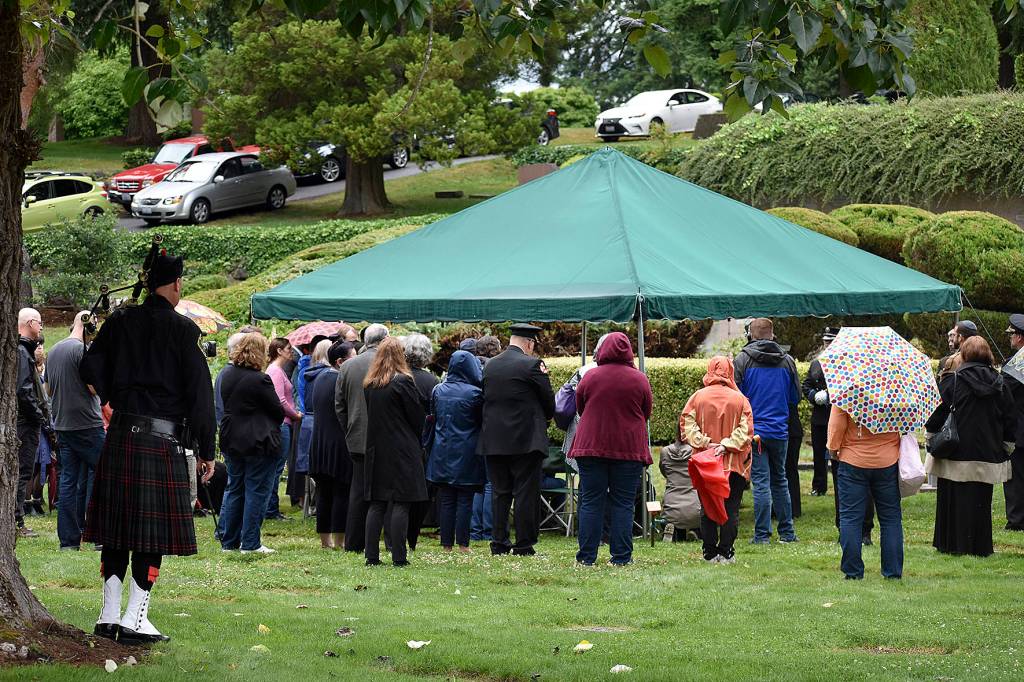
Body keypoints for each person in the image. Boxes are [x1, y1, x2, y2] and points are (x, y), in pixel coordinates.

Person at [80, 252, 215, 645]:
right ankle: (134, 620)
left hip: (121, 434)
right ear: (175, 284)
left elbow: (89, 368)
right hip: (161, 440)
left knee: (117, 530)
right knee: (150, 535)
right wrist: (206, 450)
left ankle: (108, 616)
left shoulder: (121, 321)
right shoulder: (183, 330)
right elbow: (200, 395)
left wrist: (113, 392)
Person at [925, 337, 1016, 557]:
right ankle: (980, 546)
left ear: (964, 355)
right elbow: (1010, 418)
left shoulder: (952, 381)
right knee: (980, 503)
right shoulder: (1000, 383)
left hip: (953, 450)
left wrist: (930, 436)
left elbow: (936, 413)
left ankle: (949, 543)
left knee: (950, 500)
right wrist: (1007, 444)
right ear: (988, 355)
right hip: (987, 452)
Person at [568, 332, 652, 566]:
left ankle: (586, 557)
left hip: (591, 446)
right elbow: (646, 412)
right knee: (623, 502)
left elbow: (581, 408)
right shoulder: (639, 379)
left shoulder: (590, 376)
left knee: (591, 501)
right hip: (628, 448)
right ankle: (621, 557)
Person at [479, 324, 555, 556]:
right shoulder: (533, 364)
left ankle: (499, 542)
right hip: (526, 440)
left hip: (494, 439)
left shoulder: (490, 365)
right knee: (525, 491)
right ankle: (523, 543)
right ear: (530, 343)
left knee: (500, 492)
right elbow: (548, 401)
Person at [680, 356, 753, 564]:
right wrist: (726, 445)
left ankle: (709, 552)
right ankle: (726, 551)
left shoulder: (697, 397)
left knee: (708, 508)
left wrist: (706, 443)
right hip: (734, 465)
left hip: (705, 463)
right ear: (730, 371)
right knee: (731, 508)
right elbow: (746, 430)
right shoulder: (740, 399)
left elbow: (686, 426)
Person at [733, 318, 800, 544]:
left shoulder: (742, 360)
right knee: (780, 480)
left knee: (761, 483)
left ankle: (762, 535)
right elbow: (795, 398)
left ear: (751, 335)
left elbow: (736, 399)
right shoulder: (788, 362)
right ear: (772, 335)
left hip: (755, 432)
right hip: (780, 430)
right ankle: (787, 533)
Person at [362, 337, 428, 566]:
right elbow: (417, 417)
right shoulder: (402, 382)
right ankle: (399, 557)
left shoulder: (370, 384)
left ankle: (371, 556)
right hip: (402, 448)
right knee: (402, 502)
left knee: (377, 502)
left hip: (377, 448)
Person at [218, 333, 284, 554]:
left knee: (235, 488)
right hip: (257, 440)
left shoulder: (227, 374)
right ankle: (251, 543)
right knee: (256, 491)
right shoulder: (260, 379)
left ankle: (229, 542)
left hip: (232, 438)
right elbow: (277, 409)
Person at [46, 311, 105, 550]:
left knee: (68, 481)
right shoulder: (82, 351)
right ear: (89, 326)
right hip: (87, 423)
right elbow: (93, 388)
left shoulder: (53, 351)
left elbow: (48, 390)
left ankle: (69, 541)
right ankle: (99, 535)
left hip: (63, 424)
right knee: (103, 474)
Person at [826, 404, 903, 580]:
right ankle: (893, 572)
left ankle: (852, 572)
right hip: (887, 459)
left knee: (851, 517)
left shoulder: (848, 388)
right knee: (891, 518)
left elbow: (836, 424)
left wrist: (833, 449)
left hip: (853, 459)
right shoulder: (895, 390)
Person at [335, 323, 389, 552]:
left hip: (356, 436)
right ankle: (387, 541)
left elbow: (339, 405)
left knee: (358, 491)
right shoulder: (390, 364)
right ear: (385, 339)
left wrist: (349, 427)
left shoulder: (348, 366)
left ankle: (355, 541)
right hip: (386, 438)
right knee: (385, 492)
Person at [426, 350, 487, 552]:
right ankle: (463, 544)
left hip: (442, 448)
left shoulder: (438, 390)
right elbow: (481, 422)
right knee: (465, 499)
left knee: (446, 499)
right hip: (467, 450)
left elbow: (432, 418)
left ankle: (446, 544)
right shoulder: (476, 394)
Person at [309, 341, 356, 549]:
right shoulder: (340, 380)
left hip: (319, 443)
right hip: (338, 444)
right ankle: (340, 541)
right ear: (340, 361)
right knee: (341, 493)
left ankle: (325, 541)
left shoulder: (319, 377)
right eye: (353, 356)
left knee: (324, 493)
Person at [400, 333, 438, 551]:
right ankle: (411, 536)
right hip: (423, 442)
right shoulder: (431, 381)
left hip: (399, 439)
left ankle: (397, 534)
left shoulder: (397, 377)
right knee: (422, 492)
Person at [16, 308, 51, 539]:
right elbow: (24, 390)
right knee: (22, 471)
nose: (41, 327)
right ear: (30, 323)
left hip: (27, 421)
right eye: (39, 323)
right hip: (25, 422)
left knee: (24, 471)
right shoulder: (21, 351)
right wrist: (39, 416)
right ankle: (17, 521)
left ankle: (16, 519)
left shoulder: (23, 350)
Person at [470, 336, 503, 541]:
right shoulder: (497, 369)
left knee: (477, 484)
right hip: (491, 431)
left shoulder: (470, 368)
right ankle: (489, 530)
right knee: (492, 483)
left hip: (471, 432)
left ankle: (474, 530)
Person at [265, 337, 301, 521]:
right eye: (288, 348)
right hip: (283, 423)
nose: (291, 351)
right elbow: (280, 400)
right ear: (279, 350)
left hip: (284, 421)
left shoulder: (276, 370)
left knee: (276, 466)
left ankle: (271, 507)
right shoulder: (276, 372)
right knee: (276, 466)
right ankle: (271, 509)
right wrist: (295, 414)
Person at [802, 327, 838, 496]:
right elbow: (806, 384)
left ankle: (840, 483)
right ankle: (819, 486)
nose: (827, 344)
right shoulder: (817, 363)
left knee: (838, 453)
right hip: (820, 417)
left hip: (837, 415)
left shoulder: (843, 363)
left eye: (830, 341)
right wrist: (814, 395)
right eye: (825, 341)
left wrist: (830, 396)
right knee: (819, 453)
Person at [297, 340, 333, 504]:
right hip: (325, 423)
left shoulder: (305, 372)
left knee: (310, 467)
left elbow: (301, 398)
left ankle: (310, 502)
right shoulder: (330, 375)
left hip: (307, 420)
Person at [1001, 314, 1024, 531]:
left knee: (1015, 477)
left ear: (1019, 337)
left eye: (1011, 335)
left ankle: (1016, 521)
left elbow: (1003, 389)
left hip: (1018, 431)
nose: (1009, 339)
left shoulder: (1017, 365)